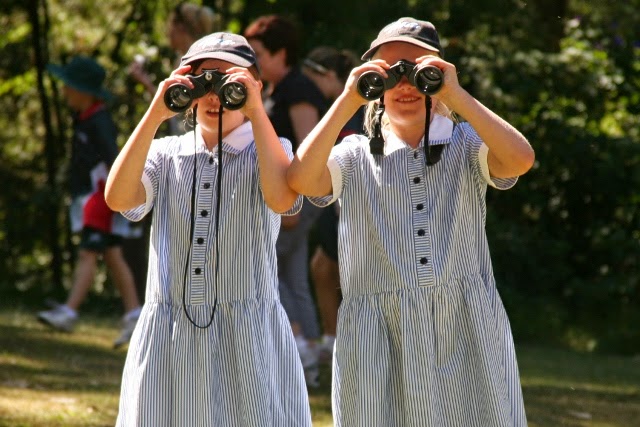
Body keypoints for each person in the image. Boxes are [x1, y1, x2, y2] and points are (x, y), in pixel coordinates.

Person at [288, 17, 535, 426]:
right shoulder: (354, 155)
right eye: (388, 73)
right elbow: (300, 179)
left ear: (438, 76)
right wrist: (348, 99)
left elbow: (520, 158)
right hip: (376, 335)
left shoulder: (467, 144)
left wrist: (455, 94)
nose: (403, 84)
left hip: (465, 327)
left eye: (417, 71)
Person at [105, 32, 312, 426]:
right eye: (204, 82)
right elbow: (118, 198)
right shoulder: (167, 153)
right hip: (170, 332)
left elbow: (283, 203)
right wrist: (154, 114)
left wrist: (255, 111)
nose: (215, 94)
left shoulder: (271, 148)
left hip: (247, 332)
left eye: (229, 81)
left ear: (255, 86)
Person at [37, 55, 142, 349]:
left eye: (69, 86)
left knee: (89, 253)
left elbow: (114, 160)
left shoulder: (100, 121)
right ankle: (134, 313)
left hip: (102, 198)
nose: (65, 91)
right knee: (111, 253)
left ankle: (70, 311)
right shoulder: (84, 119)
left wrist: (118, 197)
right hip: (90, 198)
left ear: (83, 90)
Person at [244, 14, 326, 384]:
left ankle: (300, 352)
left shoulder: (299, 89)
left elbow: (310, 147)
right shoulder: (277, 90)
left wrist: (298, 203)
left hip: (297, 199)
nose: (254, 63)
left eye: (259, 54)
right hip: (286, 199)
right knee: (294, 279)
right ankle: (308, 353)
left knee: (270, 273)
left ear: (282, 53)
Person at [301, 46, 365, 362]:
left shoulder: (357, 109)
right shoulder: (338, 108)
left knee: (334, 271)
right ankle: (335, 339)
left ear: (327, 76)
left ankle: (342, 342)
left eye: (312, 78)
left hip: (350, 205)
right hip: (337, 203)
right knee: (323, 268)